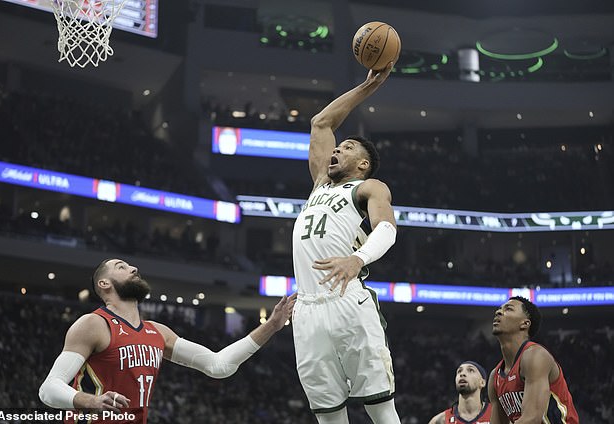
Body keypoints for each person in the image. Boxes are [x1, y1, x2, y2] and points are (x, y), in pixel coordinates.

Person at [39, 258, 296, 423]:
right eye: (122, 267)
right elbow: (48, 389)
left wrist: (272, 326)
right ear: (104, 284)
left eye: (130, 266)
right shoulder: (93, 324)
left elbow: (219, 366)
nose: (133, 268)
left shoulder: (158, 332)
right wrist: (91, 401)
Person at [291, 62, 400, 424]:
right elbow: (321, 123)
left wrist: (358, 258)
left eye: (347, 147)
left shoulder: (369, 187)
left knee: (379, 407)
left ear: (363, 163)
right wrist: (369, 86)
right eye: (337, 148)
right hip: (306, 309)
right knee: (328, 414)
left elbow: (387, 229)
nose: (336, 151)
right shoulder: (320, 184)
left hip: (347, 301)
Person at [488, 296, 579, 424]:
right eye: (499, 309)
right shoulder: (495, 376)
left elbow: (531, 419)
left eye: (508, 309)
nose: (498, 312)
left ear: (525, 323)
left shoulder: (535, 356)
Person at [428, 361, 492, 424]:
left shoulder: (495, 414)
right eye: (459, 371)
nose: (462, 374)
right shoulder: (441, 420)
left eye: (471, 370)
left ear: (482, 382)